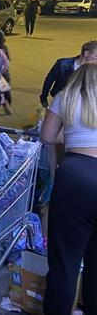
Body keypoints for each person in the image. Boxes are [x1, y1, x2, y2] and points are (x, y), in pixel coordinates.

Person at [40, 63, 97, 315]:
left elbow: (47, 136)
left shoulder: (66, 97)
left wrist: (72, 134)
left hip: (76, 176)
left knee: (65, 262)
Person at [40, 39, 97, 107]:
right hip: (61, 102)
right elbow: (49, 80)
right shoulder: (62, 64)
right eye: (96, 56)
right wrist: (43, 98)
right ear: (86, 54)